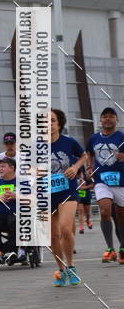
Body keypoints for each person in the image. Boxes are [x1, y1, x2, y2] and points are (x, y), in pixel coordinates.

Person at [49, 109, 85, 286]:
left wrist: (76, 167)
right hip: (45, 194)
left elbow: (84, 155)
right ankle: (61, 270)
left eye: (52, 121)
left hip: (67, 191)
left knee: (64, 228)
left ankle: (71, 267)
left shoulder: (69, 142)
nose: (48, 124)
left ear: (59, 124)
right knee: (52, 236)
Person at [85, 107, 124, 264]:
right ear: (100, 120)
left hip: (121, 183)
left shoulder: (122, 137)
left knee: (122, 217)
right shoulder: (93, 138)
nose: (108, 119)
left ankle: (122, 248)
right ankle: (110, 249)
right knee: (105, 210)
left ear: (117, 120)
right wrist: (89, 167)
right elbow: (89, 154)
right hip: (102, 182)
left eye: (111, 117)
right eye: (105, 117)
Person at [76, 168, 93, 234]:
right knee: (80, 211)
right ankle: (81, 227)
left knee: (87, 213)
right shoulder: (73, 177)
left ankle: (88, 221)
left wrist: (84, 187)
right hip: (79, 197)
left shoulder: (87, 177)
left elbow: (92, 185)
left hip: (87, 197)